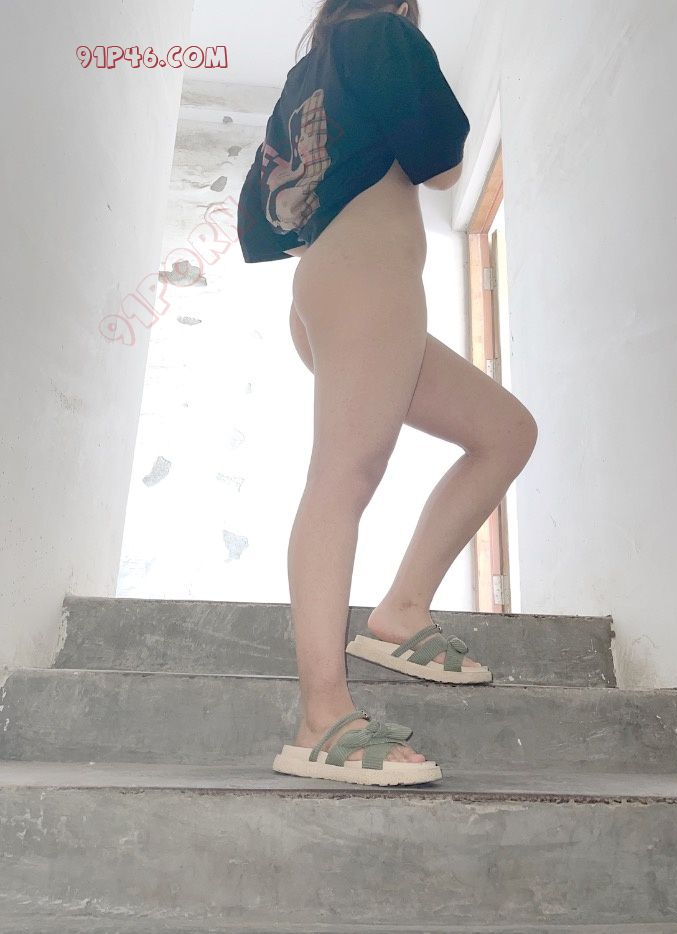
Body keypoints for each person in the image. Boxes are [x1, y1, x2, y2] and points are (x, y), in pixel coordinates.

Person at [237, 0, 538, 786]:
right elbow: (443, 164)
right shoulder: (383, 34)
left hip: (333, 286)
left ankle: (402, 609)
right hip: (370, 285)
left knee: (506, 432)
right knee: (342, 480)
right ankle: (322, 717)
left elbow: (270, 218)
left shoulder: (307, 76)